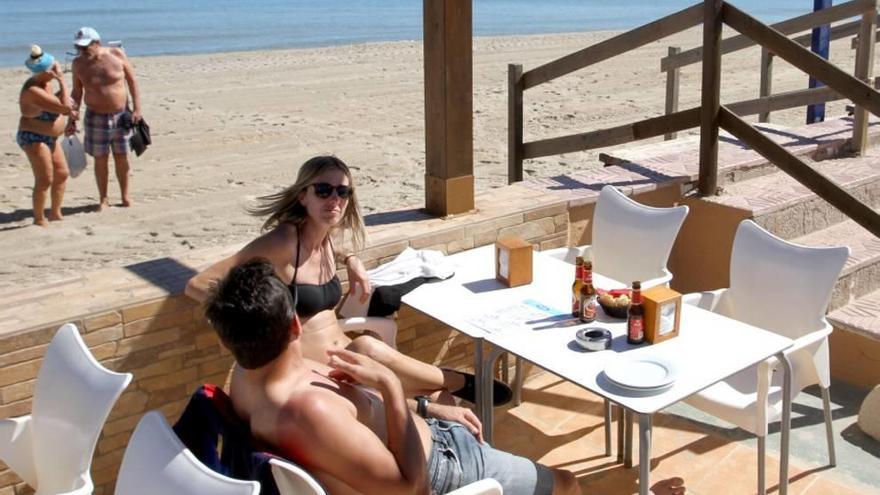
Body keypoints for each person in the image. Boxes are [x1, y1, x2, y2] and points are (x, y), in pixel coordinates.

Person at [206, 259, 687, 495]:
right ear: (294, 325)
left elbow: (358, 421)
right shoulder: (305, 411)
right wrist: (393, 390)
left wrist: (425, 406)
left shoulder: (247, 376)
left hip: (429, 434)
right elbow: (407, 487)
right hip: (444, 469)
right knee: (565, 484)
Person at [186, 155, 511, 426]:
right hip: (313, 363)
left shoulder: (326, 236)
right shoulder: (285, 242)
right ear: (303, 196)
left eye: (342, 192)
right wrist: (263, 322)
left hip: (346, 351)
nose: (334, 200)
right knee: (370, 349)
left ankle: (451, 387)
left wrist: (352, 259)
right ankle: (457, 379)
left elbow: (338, 246)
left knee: (421, 386)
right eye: (323, 190)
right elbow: (198, 284)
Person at [66, 27, 142, 210]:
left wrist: (137, 109)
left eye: (85, 47)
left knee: (122, 156)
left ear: (97, 43)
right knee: (100, 158)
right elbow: (77, 91)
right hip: (95, 117)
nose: (82, 51)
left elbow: (132, 81)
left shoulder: (117, 54)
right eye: (79, 47)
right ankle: (103, 199)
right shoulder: (78, 64)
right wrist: (72, 116)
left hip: (121, 114)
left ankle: (125, 196)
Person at [17, 45, 73, 226]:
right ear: (45, 71)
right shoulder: (33, 90)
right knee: (45, 178)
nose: (57, 71)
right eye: (54, 69)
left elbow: (58, 102)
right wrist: (63, 81)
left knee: (62, 173)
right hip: (34, 137)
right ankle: (39, 218)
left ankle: (55, 212)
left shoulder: (46, 83)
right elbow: (64, 108)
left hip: (50, 137)